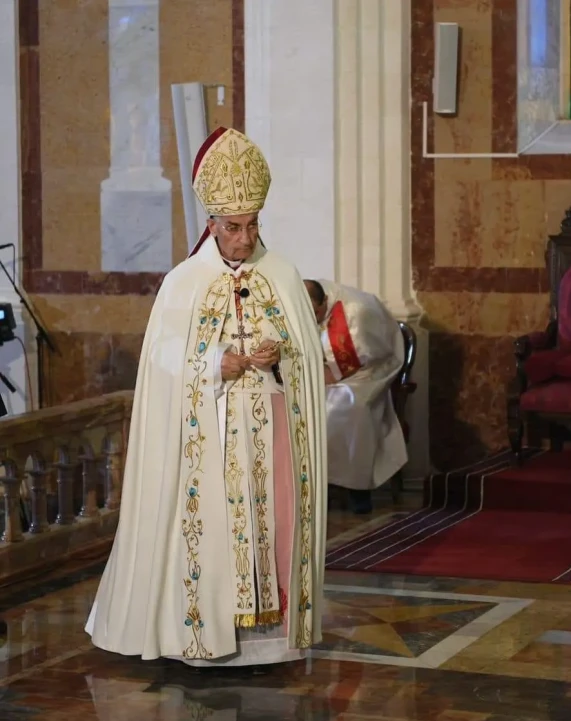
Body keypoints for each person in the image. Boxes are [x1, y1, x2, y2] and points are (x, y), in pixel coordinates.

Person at [86, 127, 327, 667]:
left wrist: (280, 355)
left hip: (271, 429)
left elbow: (307, 358)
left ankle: (271, 640)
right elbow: (162, 364)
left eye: (252, 225)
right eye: (233, 227)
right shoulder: (182, 284)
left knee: (273, 529)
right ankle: (206, 638)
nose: (244, 238)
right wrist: (213, 364)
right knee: (212, 536)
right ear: (212, 225)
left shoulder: (282, 276)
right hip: (210, 436)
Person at [304, 279, 407, 514]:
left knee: (349, 407)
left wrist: (326, 374)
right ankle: (313, 488)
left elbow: (365, 354)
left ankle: (358, 490)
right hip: (328, 371)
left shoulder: (357, 311)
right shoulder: (306, 299)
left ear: (325, 302)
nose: (313, 319)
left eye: (316, 313)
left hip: (369, 372)